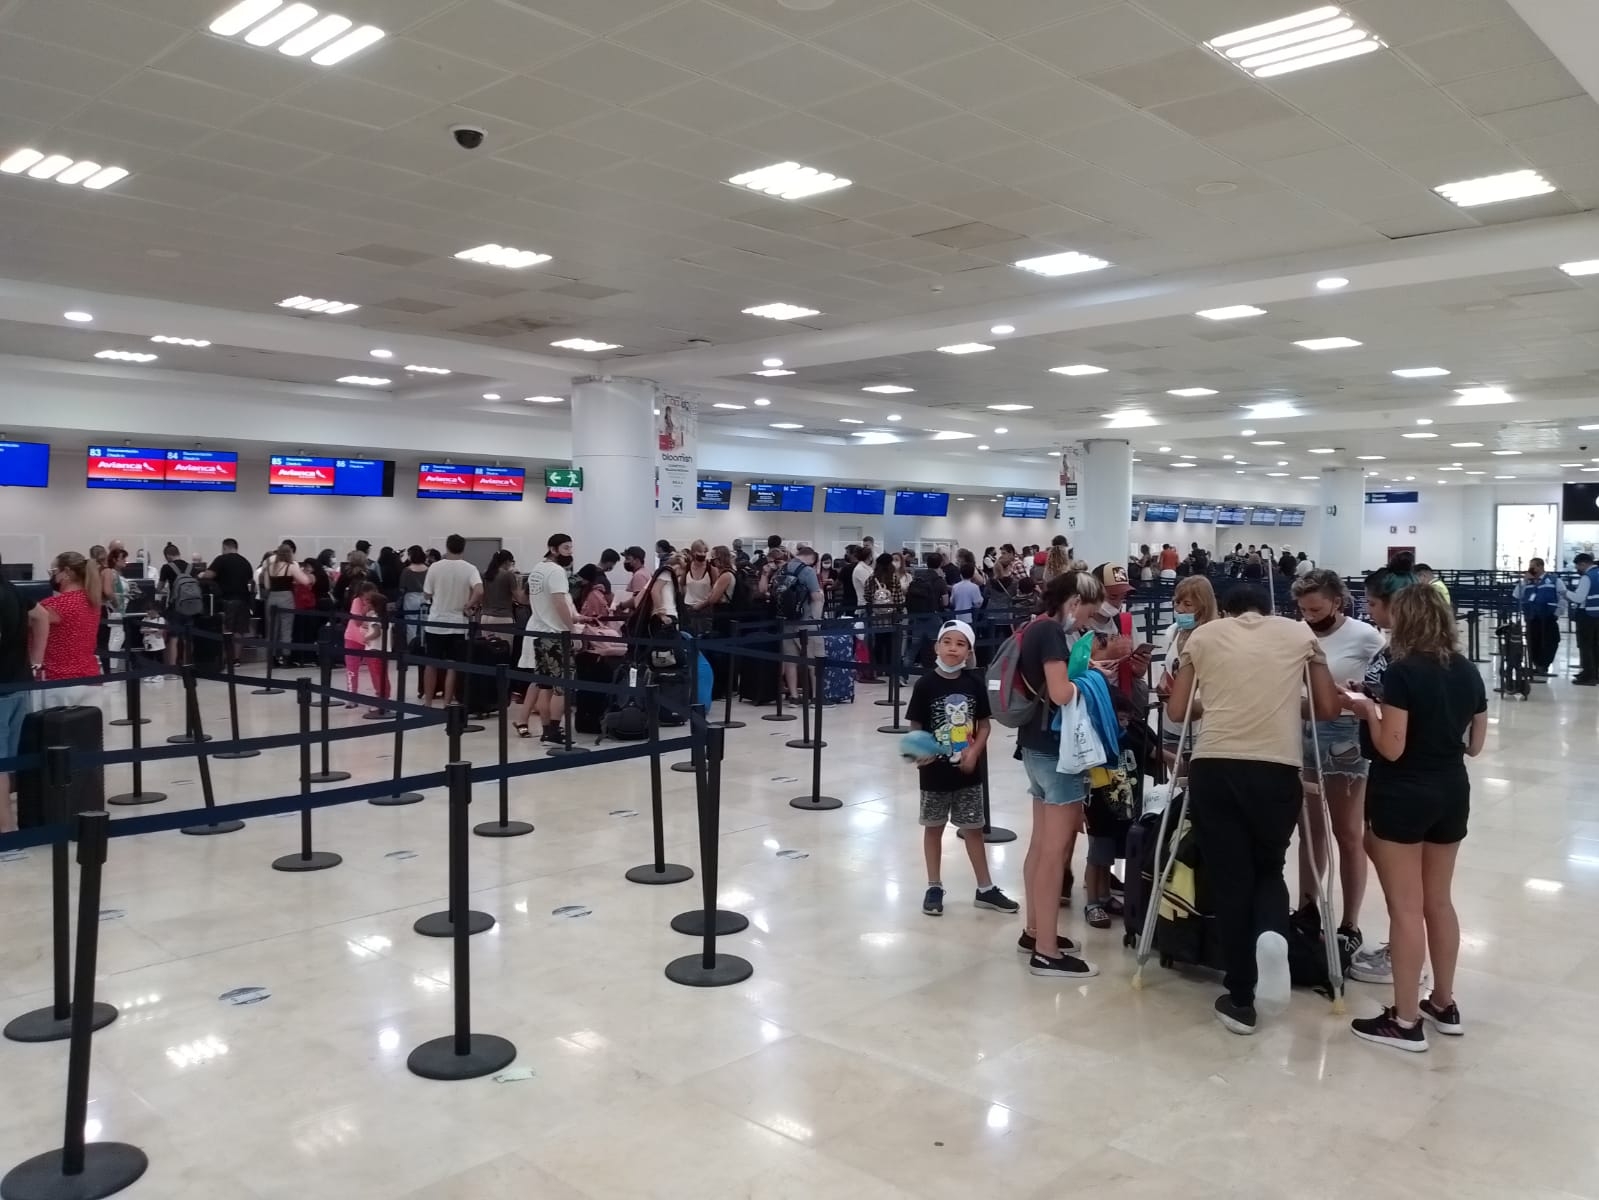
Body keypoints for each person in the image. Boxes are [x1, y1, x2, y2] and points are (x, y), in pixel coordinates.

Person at [1166, 584, 1342, 1036]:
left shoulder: (1204, 637)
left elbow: (1178, 709)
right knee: (1269, 868)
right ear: (1270, 610)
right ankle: (1273, 936)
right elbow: (1326, 707)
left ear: (1226, 611)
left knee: (1230, 878)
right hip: (1277, 769)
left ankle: (1241, 997)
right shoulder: (1299, 634)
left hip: (1216, 766)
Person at [1344, 584, 1486, 1052]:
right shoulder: (1467, 671)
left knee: (1405, 909)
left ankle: (1405, 1021)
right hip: (1452, 789)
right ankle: (1443, 1003)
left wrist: (1367, 710)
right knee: (1438, 902)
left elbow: (1392, 746)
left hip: (1403, 794)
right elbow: (1476, 744)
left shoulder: (1403, 672)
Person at [1015, 570, 1106, 979]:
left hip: (1034, 747)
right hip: (1059, 754)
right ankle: (1047, 952)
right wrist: (1089, 678)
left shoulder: (1034, 627)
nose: (1087, 621)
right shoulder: (1052, 632)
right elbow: (1060, 693)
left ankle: (1036, 931)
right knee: (1055, 853)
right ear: (1073, 601)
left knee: (1039, 847)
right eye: (1087, 612)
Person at [1292, 569, 1386, 958]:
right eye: (1303, 609)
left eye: (1317, 608)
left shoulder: (1365, 637)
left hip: (1344, 738)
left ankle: (1350, 922)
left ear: (1337, 601)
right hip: (1302, 730)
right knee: (1309, 830)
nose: (1311, 616)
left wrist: (1360, 696)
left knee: (1347, 832)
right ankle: (1307, 907)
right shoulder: (1296, 632)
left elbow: (1385, 685)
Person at [907, 619, 1017, 917]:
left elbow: (983, 725)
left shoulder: (973, 684)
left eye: (960, 644)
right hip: (934, 774)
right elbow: (915, 726)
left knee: (973, 829)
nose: (953, 649)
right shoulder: (925, 684)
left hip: (969, 774)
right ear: (936, 647)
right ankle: (934, 885)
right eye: (947, 642)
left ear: (968, 651)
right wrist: (920, 752)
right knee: (934, 827)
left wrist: (975, 752)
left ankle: (985, 888)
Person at [0, 557, 49, 834]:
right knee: (9, 762)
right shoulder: (13, 590)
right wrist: (35, 661)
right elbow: (41, 615)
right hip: (19, 684)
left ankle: (6, 834)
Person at [511, 534, 576, 741]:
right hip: (555, 634)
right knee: (561, 686)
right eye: (566, 548)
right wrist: (572, 628)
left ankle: (547, 730)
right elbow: (559, 602)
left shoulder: (538, 569)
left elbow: (530, 598)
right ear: (553, 548)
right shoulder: (556, 571)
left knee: (544, 685)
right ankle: (554, 730)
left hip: (538, 633)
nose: (570, 553)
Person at [1156, 575, 1217, 773]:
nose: (1180, 608)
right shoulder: (1175, 632)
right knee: (1175, 774)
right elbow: (1170, 665)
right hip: (1171, 715)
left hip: (1198, 721)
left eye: (1187, 604)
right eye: (1177, 602)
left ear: (1203, 606)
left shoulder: (1212, 636)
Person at [421, 534, 483, 708]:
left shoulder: (435, 567)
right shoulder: (470, 568)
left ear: (447, 547)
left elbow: (427, 593)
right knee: (452, 666)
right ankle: (448, 703)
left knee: (431, 664)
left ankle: (427, 702)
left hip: (436, 621)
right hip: (458, 623)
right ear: (463, 548)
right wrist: (468, 605)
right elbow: (479, 590)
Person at [38, 551, 105, 707]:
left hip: (59, 681)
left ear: (66, 572)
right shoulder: (93, 602)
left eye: (53, 572)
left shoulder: (55, 605)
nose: (52, 576)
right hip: (91, 678)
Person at [773, 546, 824, 700]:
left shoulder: (782, 569)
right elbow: (815, 597)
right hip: (806, 621)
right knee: (814, 659)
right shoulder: (808, 571)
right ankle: (816, 696)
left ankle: (794, 696)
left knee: (790, 660)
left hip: (785, 620)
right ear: (811, 557)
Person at [202, 538, 255, 655]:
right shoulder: (245, 562)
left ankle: (227, 657)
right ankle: (236, 659)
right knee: (239, 631)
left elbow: (207, 576)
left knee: (227, 629)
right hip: (243, 600)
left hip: (227, 600)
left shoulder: (221, 559)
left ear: (225, 547)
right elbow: (250, 580)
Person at [344, 583, 390, 714]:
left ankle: (380, 697)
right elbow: (357, 622)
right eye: (366, 598)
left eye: (371, 599)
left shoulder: (379, 607)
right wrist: (365, 610)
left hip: (371, 642)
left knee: (376, 670)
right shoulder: (356, 602)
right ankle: (351, 696)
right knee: (351, 668)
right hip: (353, 638)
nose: (368, 601)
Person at [1514, 557, 1560, 678]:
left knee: (1550, 641)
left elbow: (1562, 597)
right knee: (1533, 641)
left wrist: (1557, 613)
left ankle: (1544, 665)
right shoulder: (1527, 582)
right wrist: (1524, 581)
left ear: (1540, 566)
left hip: (1548, 617)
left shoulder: (1553, 580)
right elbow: (1516, 595)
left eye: (1533, 567)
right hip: (1532, 617)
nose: (1531, 569)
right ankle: (1536, 664)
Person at [263, 543, 307, 666]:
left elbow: (267, 586)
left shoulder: (269, 566)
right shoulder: (291, 566)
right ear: (289, 553)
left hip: (272, 597)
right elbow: (305, 581)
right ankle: (286, 658)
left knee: (272, 630)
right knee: (286, 629)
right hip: (286, 597)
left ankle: (272, 658)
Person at [1565, 551, 1599, 685]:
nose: (1577, 570)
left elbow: (1579, 598)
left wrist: (1565, 592)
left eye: (1578, 566)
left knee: (1586, 645)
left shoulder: (1587, 577)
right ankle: (1594, 672)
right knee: (1596, 645)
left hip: (1587, 615)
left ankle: (1588, 676)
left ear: (1583, 564)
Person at [478, 550, 521, 642]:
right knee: (503, 650)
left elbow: (481, 594)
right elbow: (519, 598)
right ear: (507, 561)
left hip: (485, 616)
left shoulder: (485, 574)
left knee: (487, 650)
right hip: (502, 617)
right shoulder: (508, 575)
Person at [398, 546, 429, 648]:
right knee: (425, 623)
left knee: (411, 624)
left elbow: (402, 588)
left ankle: (412, 647)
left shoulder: (407, 570)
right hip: (425, 597)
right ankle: (424, 645)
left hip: (411, 598)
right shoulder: (428, 569)